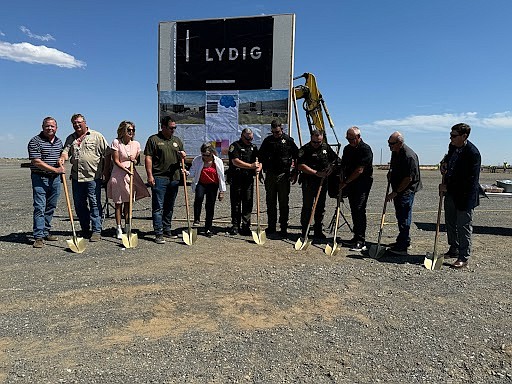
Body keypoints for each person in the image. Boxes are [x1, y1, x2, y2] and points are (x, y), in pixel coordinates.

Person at [59, 113, 109, 242]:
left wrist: (105, 171)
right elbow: (66, 151)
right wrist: (62, 158)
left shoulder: (96, 136)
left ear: (85, 122)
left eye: (79, 122)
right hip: (77, 178)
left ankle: (97, 230)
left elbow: (107, 153)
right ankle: (85, 229)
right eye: (74, 123)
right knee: (79, 205)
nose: (77, 125)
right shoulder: (71, 138)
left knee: (94, 204)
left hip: (93, 177)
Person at [440, 123, 481, 269]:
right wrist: (443, 165)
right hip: (450, 193)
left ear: (464, 136)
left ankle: (463, 256)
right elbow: (447, 162)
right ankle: (454, 248)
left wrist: (448, 186)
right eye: (450, 135)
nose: (451, 138)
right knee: (450, 223)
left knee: (463, 226)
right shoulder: (452, 148)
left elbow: (468, 180)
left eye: (454, 136)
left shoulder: (473, 153)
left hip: (465, 196)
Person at [144, 116, 186, 244]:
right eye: (171, 128)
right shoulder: (154, 140)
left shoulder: (177, 141)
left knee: (169, 206)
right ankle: (158, 233)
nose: (173, 130)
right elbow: (148, 158)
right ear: (163, 127)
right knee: (158, 206)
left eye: (175, 127)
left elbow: (181, 158)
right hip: (159, 177)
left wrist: (183, 156)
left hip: (174, 177)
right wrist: (150, 175)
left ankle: (167, 229)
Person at [107, 121, 150, 239]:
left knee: (128, 202)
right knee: (118, 203)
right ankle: (118, 228)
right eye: (128, 130)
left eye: (133, 130)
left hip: (130, 175)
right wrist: (126, 170)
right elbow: (115, 160)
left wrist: (134, 161)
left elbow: (136, 160)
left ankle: (127, 225)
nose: (131, 132)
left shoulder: (136, 144)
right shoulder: (116, 142)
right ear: (122, 131)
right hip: (118, 174)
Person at [28, 117, 66, 248]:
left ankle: (45, 231)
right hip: (39, 178)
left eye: (52, 126)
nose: (50, 128)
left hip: (55, 179)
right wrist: (56, 169)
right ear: (42, 126)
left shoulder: (59, 142)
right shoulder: (35, 141)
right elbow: (36, 161)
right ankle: (38, 237)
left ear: (56, 127)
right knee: (39, 207)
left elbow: (62, 155)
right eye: (47, 126)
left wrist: (61, 159)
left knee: (50, 206)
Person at [258, 120, 299, 239]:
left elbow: (297, 157)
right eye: (274, 132)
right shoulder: (268, 141)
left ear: (282, 129)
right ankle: (271, 227)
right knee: (270, 202)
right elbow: (260, 157)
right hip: (270, 174)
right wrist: (260, 172)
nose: (276, 134)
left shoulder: (289, 141)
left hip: (283, 175)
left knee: (283, 203)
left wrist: (295, 173)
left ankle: (283, 228)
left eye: (278, 132)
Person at [385, 131, 422, 254]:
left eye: (392, 143)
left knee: (404, 216)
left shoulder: (408, 156)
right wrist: (391, 174)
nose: (389, 146)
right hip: (399, 188)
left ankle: (402, 247)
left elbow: (408, 179)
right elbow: (395, 169)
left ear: (400, 142)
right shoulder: (395, 152)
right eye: (388, 143)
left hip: (406, 190)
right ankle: (404, 240)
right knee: (400, 216)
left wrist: (395, 192)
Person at [297, 129, 339, 239]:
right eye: (315, 142)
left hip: (322, 182)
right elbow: (300, 165)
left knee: (320, 207)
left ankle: (318, 230)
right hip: (308, 182)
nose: (317, 144)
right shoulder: (305, 149)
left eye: (319, 142)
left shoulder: (326, 148)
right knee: (307, 207)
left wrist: (331, 168)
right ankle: (305, 231)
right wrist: (316, 173)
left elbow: (336, 160)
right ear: (311, 138)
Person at [339, 126, 373, 251]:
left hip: (362, 184)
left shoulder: (365, 149)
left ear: (358, 137)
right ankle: (355, 237)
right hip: (350, 183)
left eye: (352, 139)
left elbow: (360, 170)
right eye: (348, 139)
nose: (349, 141)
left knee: (359, 209)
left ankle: (361, 240)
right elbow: (343, 165)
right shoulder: (347, 149)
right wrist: (342, 179)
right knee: (354, 209)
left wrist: (346, 182)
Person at [227, 128, 261, 236]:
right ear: (242, 136)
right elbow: (235, 161)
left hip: (248, 179)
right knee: (236, 203)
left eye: (251, 138)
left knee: (247, 202)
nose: (249, 140)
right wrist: (251, 166)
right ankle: (235, 225)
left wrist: (259, 167)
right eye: (247, 138)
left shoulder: (253, 147)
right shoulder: (235, 146)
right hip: (236, 178)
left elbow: (259, 160)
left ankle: (246, 226)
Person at [188, 143, 226, 237]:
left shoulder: (218, 162)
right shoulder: (197, 160)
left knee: (210, 206)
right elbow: (192, 172)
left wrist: (222, 191)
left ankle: (208, 228)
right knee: (199, 197)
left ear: (212, 153)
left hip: (213, 185)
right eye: (203, 155)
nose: (205, 157)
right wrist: (187, 173)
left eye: (207, 155)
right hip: (201, 183)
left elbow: (221, 177)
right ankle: (197, 218)